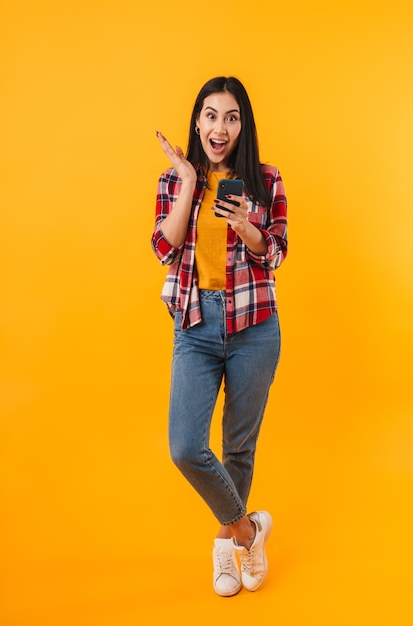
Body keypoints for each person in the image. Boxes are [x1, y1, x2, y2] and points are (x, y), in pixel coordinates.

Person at [151, 76, 287, 596]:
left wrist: (250, 226)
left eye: (231, 117)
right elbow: (165, 247)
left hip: (255, 326)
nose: (220, 126)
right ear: (197, 122)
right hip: (196, 325)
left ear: (242, 125)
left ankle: (226, 548)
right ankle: (249, 530)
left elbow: (276, 254)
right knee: (186, 446)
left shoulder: (266, 179)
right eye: (211, 115)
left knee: (238, 447)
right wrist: (189, 183)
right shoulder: (176, 179)